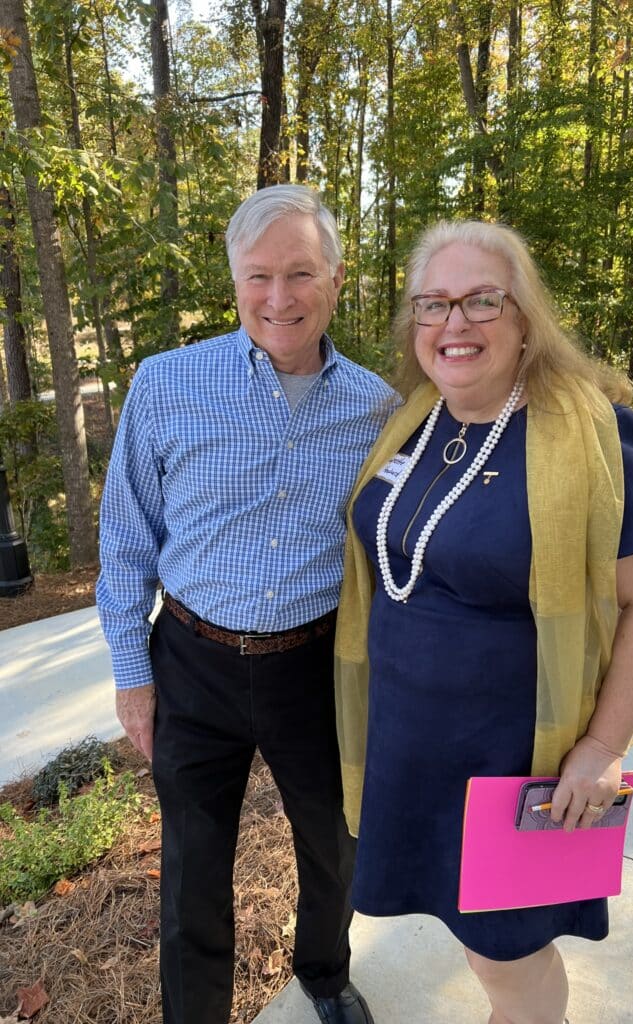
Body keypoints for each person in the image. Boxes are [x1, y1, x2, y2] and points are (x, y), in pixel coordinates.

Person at [333, 220, 633, 1024]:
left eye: (482, 300)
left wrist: (602, 747)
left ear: (525, 317)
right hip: (413, 742)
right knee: (474, 940)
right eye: (433, 304)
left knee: (507, 953)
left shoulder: (596, 434)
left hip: (515, 753)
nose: (455, 324)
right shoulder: (415, 422)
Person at [96, 184, 398, 1024]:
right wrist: (132, 675)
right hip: (192, 663)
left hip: (315, 664)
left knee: (336, 843)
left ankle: (326, 976)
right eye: (258, 275)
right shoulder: (165, 385)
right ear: (233, 279)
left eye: (300, 273)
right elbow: (125, 542)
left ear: (335, 279)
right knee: (193, 867)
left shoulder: (376, 407)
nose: (278, 298)